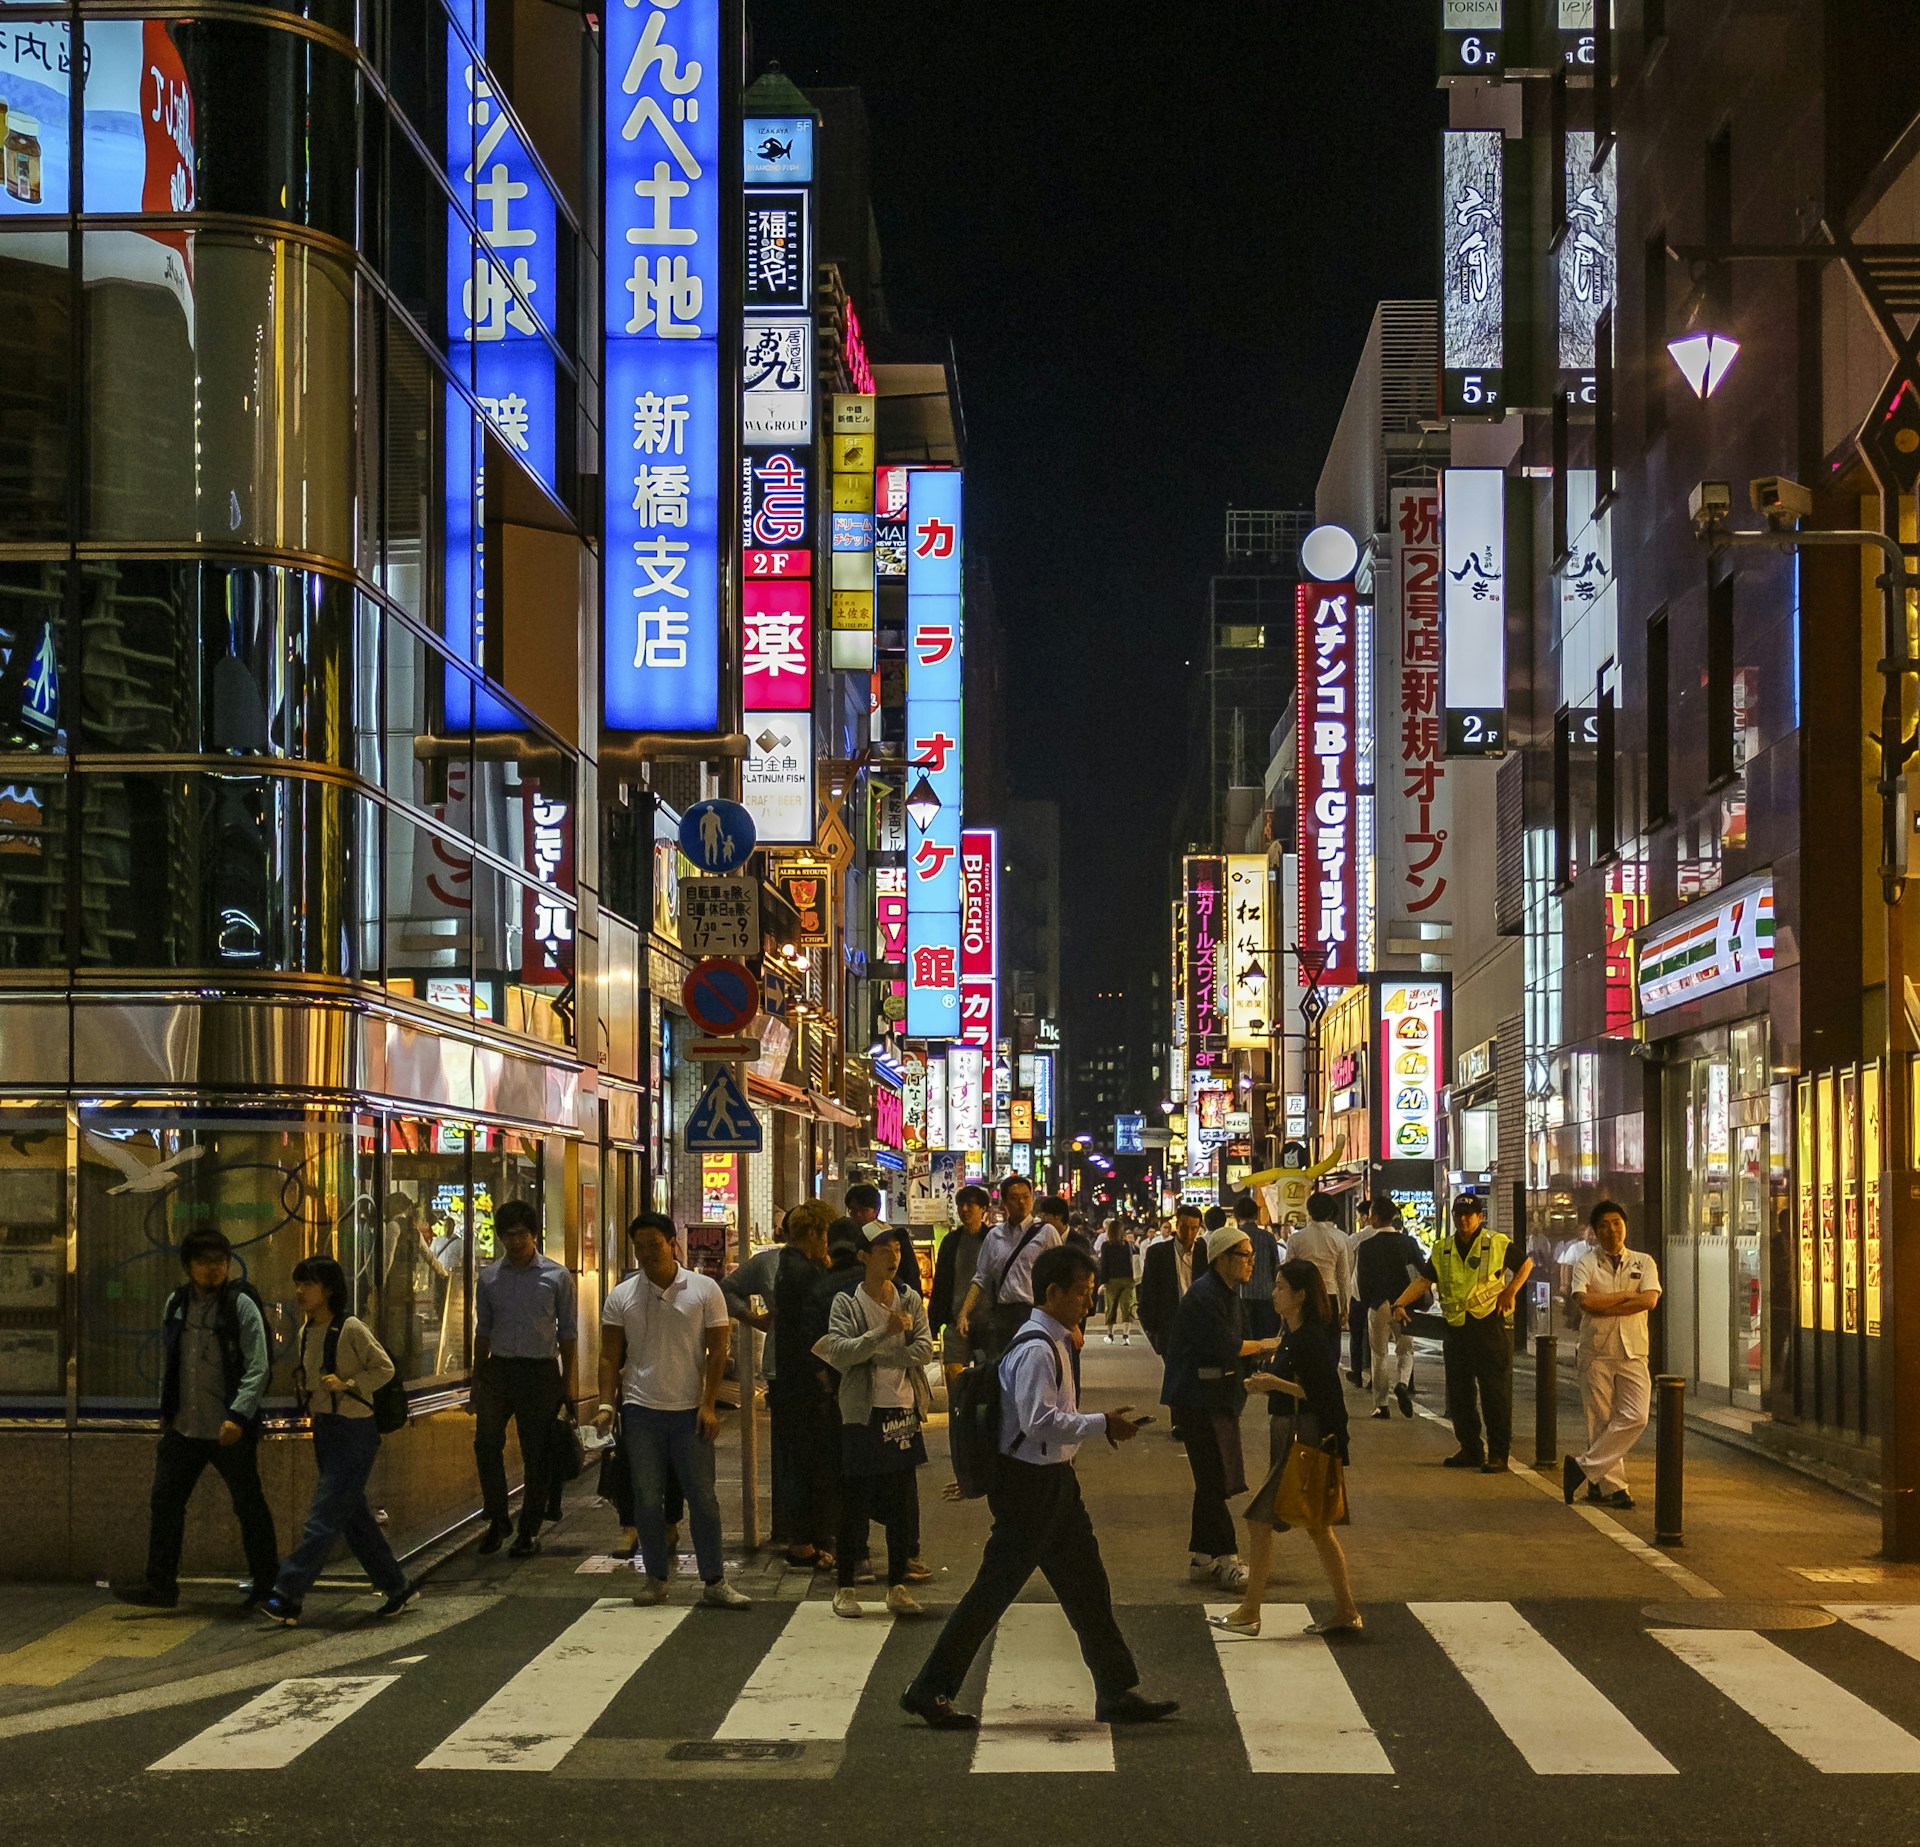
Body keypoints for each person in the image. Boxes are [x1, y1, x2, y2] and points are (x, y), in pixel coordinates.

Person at [900, 1246, 1178, 1731]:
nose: (1088, 1304)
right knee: (994, 1591)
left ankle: (1116, 1690)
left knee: (1087, 1586)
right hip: (1030, 1488)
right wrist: (1101, 1425)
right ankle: (929, 1688)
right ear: (1052, 1293)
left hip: (1054, 1484)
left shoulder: (1052, 1340)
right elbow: (1038, 1421)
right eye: (1082, 1294)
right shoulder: (1035, 1349)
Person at [115, 1227, 280, 1611]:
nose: (213, 1269)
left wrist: (239, 1415)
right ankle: (160, 1587)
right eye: (204, 1261)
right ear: (188, 1265)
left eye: (220, 1261)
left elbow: (259, 1365)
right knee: (166, 1503)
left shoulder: (241, 1305)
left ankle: (268, 1584)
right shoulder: (176, 1302)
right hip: (184, 1426)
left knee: (249, 1505)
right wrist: (166, 1411)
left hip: (228, 1428)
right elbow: (170, 1362)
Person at [595, 1212, 751, 1609]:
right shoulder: (623, 1295)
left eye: (655, 1245)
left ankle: (714, 1579)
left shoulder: (703, 1290)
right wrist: (604, 1403)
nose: (647, 1254)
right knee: (647, 1499)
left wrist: (708, 1404)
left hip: (689, 1413)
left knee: (703, 1497)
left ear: (672, 1243)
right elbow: (609, 1356)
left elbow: (719, 1349)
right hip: (640, 1410)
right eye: (640, 1247)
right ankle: (655, 1578)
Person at [1209, 1258, 1359, 1638]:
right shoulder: (1291, 1332)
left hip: (1301, 1435)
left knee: (1261, 1520)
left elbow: (1322, 1394)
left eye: (1280, 1288)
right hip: (1289, 1435)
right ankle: (1345, 1610)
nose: (1273, 1293)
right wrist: (1268, 1381)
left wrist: (1274, 1384)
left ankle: (1250, 1611)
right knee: (1317, 1526)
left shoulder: (1309, 1337)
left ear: (1300, 1295)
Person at [258, 1258, 413, 1625]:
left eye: (307, 1284)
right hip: (325, 1428)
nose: (299, 1291)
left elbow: (385, 1368)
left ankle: (288, 1593)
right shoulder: (306, 1331)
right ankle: (397, 1586)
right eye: (297, 1283)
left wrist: (350, 1384)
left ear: (328, 1288)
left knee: (324, 1515)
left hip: (356, 1430)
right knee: (352, 1517)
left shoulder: (351, 1327)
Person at [1162, 1222, 1281, 1592]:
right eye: (1243, 1256)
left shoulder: (1228, 1293)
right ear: (1220, 1259)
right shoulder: (1204, 1296)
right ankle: (1228, 1557)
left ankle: (1202, 1557)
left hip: (1215, 1396)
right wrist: (1262, 1345)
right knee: (1213, 1478)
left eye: (1252, 1257)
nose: (1250, 1263)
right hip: (1199, 1399)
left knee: (1211, 1479)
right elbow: (1226, 1345)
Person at [824, 1223, 934, 1617]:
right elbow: (839, 1352)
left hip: (902, 1409)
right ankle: (846, 1587)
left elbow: (923, 1350)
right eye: (883, 1250)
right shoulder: (847, 1303)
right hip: (862, 1412)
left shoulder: (909, 1299)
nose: (893, 1256)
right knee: (855, 1500)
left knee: (902, 1504)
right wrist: (880, 1335)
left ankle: (897, 1586)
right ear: (863, 1256)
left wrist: (879, 1353)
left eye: (896, 1250)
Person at [1392, 1194, 1532, 1472]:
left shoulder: (1496, 1243)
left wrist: (1510, 1291)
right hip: (1456, 1328)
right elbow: (1424, 1280)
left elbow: (1525, 1264)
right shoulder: (1443, 1249)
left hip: (1489, 1325)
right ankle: (1470, 1449)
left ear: (1480, 1217)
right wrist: (1400, 1303)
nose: (1464, 1219)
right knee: (1459, 1394)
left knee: (1495, 1393)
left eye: (1469, 1214)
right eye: (1459, 1215)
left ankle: (1499, 1454)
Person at [470, 1199, 576, 1559]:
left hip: (540, 1372)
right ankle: (498, 1518)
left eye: (521, 1235)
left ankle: (528, 1530)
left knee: (537, 1454)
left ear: (534, 1235)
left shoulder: (557, 1276)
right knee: (486, 1444)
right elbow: (482, 1330)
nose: (515, 1242)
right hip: (498, 1369)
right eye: (508, 1236)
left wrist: (568, 1385)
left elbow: (568, 1334)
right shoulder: (489, 1278)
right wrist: (476, 1378)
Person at [1563, 1200, 1663, 1510]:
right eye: (1604, 1225)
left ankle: (1583, 1468)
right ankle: (1614, 1487)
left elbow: (1649, 1301)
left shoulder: (1643, 1262)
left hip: (1634, 1350)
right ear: (1594, 1231)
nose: (1611, 1230)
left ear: (1625, 1226)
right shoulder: (1586, 1262)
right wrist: (1623, 1297)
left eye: (1616, 1223)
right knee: (1602, 1420)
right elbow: (1584, 1302)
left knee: (1636, 1416)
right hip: (1597, 1350)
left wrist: (1605, 1301)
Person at [769, 1201, 835, 1566]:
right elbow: (812, 1329)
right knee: (808, 1463)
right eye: (825, 1234)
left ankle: (803, 1539)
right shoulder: (804, 1273)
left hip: (791, 1378)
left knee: (799, 1460)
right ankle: (804, 1541)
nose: (827, 1243)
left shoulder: (787, 1266)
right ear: (813, 1233)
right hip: (804, 1381)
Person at [955, 1175, 1061, 1360]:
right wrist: (964, 1313)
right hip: (1003, 1316)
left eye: (1026, 1196)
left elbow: (1061, 1276)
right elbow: (980, 1279)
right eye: (1014, 1198)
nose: (1021, 1202)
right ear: (1004, 1202)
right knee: (1004, 1370)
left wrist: (1069, 1323)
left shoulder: (1046, 1233)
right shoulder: (994, 1236)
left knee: (1032, 1367)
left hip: (1035, 1313)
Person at [1352, 1195, 1421, 1419]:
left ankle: (1381, 1405)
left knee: (1379, 1354)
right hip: (1405, 1304)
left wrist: (1368, 1303)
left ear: (1378, 1217)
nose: (1368, 1217)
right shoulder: (1408, 1243)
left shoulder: (1367, 1245)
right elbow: (1421, 1273)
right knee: (1406, 1348)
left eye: (1371, 1213)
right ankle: (1402, 1383)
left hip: (1378, 1304)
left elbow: (1363, 1281)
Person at [929, 1185, 993, 1389]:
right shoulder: (951, 1241)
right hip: (956, 1319)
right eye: (961, 1205)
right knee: (952, 1373)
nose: (965, 1209)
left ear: (983, 1209)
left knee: (987, 1376)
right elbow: (941, 1282)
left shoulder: (992, 1240)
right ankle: (957, 1415)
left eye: (970, 1205)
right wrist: (934, 1321)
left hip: (987, 1321)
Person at [1138, 1202, 1204, 1354]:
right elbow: (1148, 1291)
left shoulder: (1205, 1254)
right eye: (1184, 1227)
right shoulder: (1157, 1253)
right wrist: (1152, 1329)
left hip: (1198, 1324)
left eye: (1194, 1228)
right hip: (1169, 1324)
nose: (1189, 1233)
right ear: (1177, 1225)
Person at [1286, 1193, 1353, 1328]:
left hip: (1303, 1296)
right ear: (1330, 1213)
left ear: (1308, 1211)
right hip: (1329, 1296)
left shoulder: (1296, 1239)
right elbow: (1343, 1277)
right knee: (1330, 1343)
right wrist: (1345, 1306)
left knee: (1306, 1341)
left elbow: (1288, 1272)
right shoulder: (1338, 1240)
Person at [1232, 1194, 1283, 1343]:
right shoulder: (1267, 1237)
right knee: (1265, 1342)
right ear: (1256, 1214)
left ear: (1237, 1215)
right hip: (1266, 1298)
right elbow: (1276, 1267)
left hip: (1240, 1298)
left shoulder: (1235, 1237)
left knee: (1244, 1342)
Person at [1098, 1220, 1138, 1343]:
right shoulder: (1128, 1245)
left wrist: (1103, 1282)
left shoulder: (1106, 1246)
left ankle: (1110, 1334)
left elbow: (1104, 1265)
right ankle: (1126, 1336)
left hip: (1112, 1280)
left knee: (1111, 1307)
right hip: (1128, 1279)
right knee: (1128, 1307)